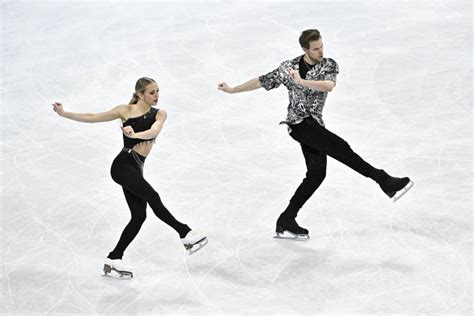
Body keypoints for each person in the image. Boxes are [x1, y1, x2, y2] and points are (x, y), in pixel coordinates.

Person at [217, 29, 413, 240]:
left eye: (322, 46)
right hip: (299, 124)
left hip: (315, 125)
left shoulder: (329, 65)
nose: (321, 51)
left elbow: (328, 86)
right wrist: (232, 89)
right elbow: (262, 80)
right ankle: (383, 180)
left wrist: (302, 81)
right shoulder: (288, 67)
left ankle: (286, 219)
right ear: (304, 49)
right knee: (341, 147)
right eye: (316, 49)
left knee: (317, 174)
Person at [52, 77, 207, 278]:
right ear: (140, 94)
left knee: (139, 216)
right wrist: (64, 113)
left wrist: (135, 135)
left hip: (137, 167)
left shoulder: (160, 114)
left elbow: (154, 131)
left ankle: (114, 258)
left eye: (158, 91)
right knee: (153, 196)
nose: (156, 95)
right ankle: (184, 232)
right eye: (151, 92)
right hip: (123, 165)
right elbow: (92, 116)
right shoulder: (125, 110)